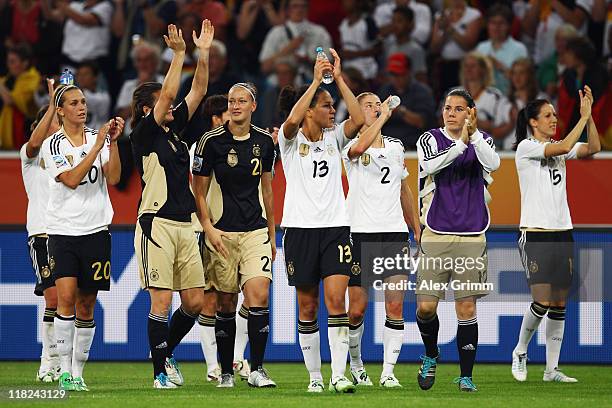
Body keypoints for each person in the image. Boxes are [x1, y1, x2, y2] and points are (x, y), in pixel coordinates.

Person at [129, 21, 213, 389]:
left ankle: (164, 352)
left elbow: (198, 90)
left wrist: (203, 53)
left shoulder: (174, 134)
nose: (171, 106)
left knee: (194, 302)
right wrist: (179, 54)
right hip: (157, 224)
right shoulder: (143, 135)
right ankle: (160, 373)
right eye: (161, 103)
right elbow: (167, 96)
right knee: (160, 302)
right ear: (147, 110)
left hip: (185, 224)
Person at [277, 49, 365, 393]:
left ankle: (338, 374)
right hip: (299, 230)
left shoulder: (335, 139)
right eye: (326, 105)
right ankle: (315, 376)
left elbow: (358, 120)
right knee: (308, 305)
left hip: (335, 229)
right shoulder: (288, 141)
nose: (333, 111)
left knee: (335, 301)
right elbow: (289, 123)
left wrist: (338, 79)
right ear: (310, 110)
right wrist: (315, 81)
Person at [511, 88, 600, 383]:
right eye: (548, 115)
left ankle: (552, 369)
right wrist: (583, 115)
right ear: (533, 122)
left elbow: (594, 147)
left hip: (563, 230)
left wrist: (589, 119)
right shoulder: (526, 147)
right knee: (542, 301)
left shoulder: (558, 145)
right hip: (536, 232)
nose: (554, 119)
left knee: (560, 302)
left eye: (555, 115)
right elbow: (562, 149)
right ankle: (521, 350)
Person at [415, 88, 500, 392]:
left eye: (458, 108)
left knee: (466, 309)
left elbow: (495, 164)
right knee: (426, 308)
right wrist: (462, 142)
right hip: (436, 233)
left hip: (472, 234)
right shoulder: (429, 138)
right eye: (447, 107)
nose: (450, 113)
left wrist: (473, 137)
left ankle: (466, 376)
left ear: (470, 113)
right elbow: (430, 165)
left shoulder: (483, 140)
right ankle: (430, 353)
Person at [192, 82, 276, 388]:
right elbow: (198, 191)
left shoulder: (266, 141)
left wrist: (271, 231)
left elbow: (268, 189)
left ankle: (258, 369)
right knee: (225, 304)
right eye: (231, 101)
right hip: (222, 234)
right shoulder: (210, 141)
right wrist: (208, 227)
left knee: (259, 295)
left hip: (255, 231)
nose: (236, 105)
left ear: (253, 106)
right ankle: (226, 371)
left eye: (242, 101)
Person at [40, 81, 123, 391]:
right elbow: (72, 179)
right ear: (60, 111)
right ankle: (62, 370)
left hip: (96, 231)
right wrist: (98, 145)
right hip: (62, 231)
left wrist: (112, 144)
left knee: (87, 304)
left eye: (83, 102)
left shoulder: (96, 138)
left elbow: (113, 177)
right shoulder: (53, 145)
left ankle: (78, 373)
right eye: (74, 103)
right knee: (65, 299)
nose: (82, 107)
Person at [343, 92, 420, 388]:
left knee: (395, 307)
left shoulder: (396, 146)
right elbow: (361, 145)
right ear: (356, 113)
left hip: (394, 233)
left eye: (379, 104)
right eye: (369, 106)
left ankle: (388, 372)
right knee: (356, 311)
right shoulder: (350, 145)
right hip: (359, 232)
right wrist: (383, 117)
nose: (377, 108)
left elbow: (404, 189)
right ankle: (357, 364)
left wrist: (415, 227)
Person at [190, 95, 250, 383]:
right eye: (228, 109)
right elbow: (198, 191)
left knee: (247, 295)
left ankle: (237, 358)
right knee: (211, 299)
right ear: (216, 118)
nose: (234, 113)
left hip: (244, 228)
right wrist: (206, 225)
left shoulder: (248, 142)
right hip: (209, 229)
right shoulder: (203, 147)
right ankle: (214, 364)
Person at [21, 79, 61, 383]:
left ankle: (62, 359)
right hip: (42, 234)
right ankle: (48, 360)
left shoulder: (65, 156)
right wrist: (52, 103)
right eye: (53, 122)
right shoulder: (30, 156)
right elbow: (35, 143)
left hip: (69, 232)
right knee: (53, 300)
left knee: (68, 301)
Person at [377, 53, 435, 150]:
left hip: (412, 146)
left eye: (399, 74)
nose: (395, 78)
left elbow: (422, 122)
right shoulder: (384, 91)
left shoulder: (422, 92)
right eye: (392, 74)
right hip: (385, 146)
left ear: (409, 72)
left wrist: (400, 111)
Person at [475, 3, 528, 95]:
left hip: (510, 98)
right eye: (493, 23)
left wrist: (499, 66)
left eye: (501, 23)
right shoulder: (481, 48)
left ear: (509, 26)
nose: (496, 27)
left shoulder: (519, 49)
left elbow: (524, 81)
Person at [0, 43, 41, 149]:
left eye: (13, 61)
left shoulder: (32, 78)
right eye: (8, 61)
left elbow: (10, 100)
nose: (9, 65)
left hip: (26, 130)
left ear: (25, 63)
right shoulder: (8, 79)